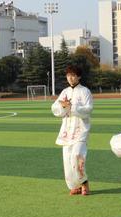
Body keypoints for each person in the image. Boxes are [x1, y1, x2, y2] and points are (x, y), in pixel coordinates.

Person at [52, 64, 93, 195]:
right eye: (68, 75)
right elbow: (55, 108)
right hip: (67, 131)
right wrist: (63, 107)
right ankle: (74, 185)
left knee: (77, 156)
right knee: (67, 160)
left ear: (79, 77)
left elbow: (88, 109)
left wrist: (72, 106)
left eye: (73, 75)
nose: (70, 78)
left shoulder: (85, 91)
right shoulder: (65, 92)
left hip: (81, 130)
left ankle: (84, 182)